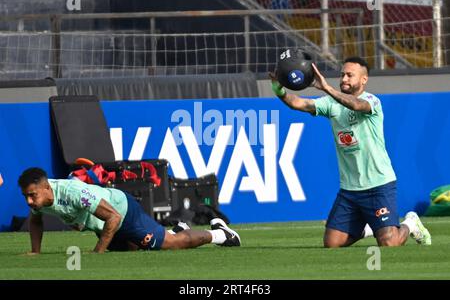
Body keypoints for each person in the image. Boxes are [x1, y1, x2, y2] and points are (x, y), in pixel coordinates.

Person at [270, 56, 431, 248]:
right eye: (342, 75)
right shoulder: (330, 104)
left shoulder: (372, 102)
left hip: (379, 185)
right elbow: (298, 103)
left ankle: (410, 224)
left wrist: (326, 88)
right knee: (332, 244)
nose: (344, 79)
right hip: (350, 190)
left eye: (349, 75)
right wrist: (278, 89)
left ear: (363, 80)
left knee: (389, 243)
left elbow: (356, 105)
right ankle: (369, 228)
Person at [18, 167, 240, 254]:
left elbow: (113, 217)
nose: (29, 201)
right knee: (132, 252)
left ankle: (221, 234)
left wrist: (97, 252)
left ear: (47, 188)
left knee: (170, 246)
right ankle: (177, 228)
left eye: (32, 195)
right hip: (103, 224)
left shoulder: (73, 192)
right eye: (26, 196)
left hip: (122, 213)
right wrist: (36, 251)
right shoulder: (40, 201)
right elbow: (36, 221)